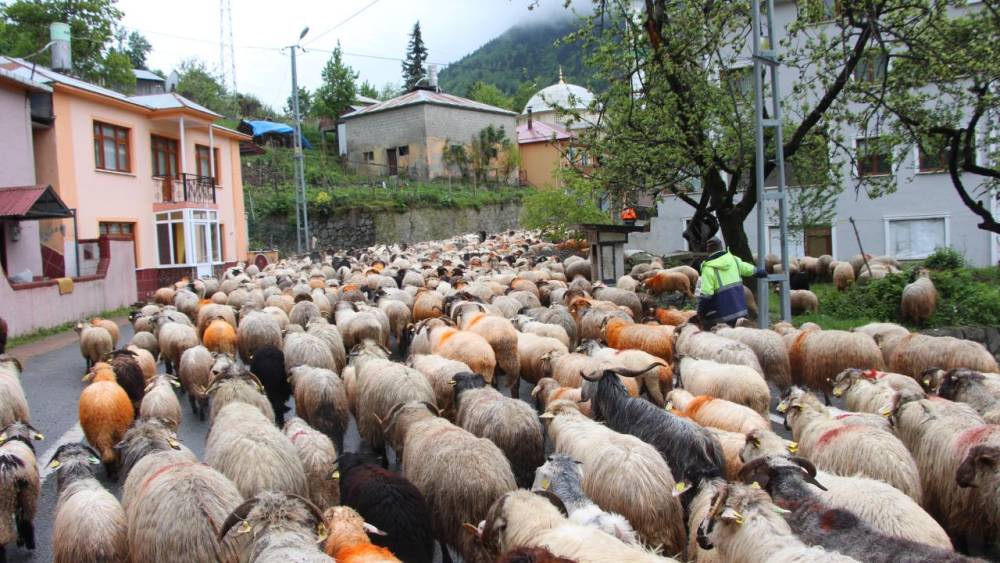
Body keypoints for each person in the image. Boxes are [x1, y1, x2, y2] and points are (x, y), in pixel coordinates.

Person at [696, 238, 766, 327]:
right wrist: (761, 272)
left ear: (708, 250)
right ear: (722, 247)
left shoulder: (708, 268)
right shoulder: (733, 260)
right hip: (741, 311)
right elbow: (749, 269)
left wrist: (700, 313)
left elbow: (706, 295)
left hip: (720, 317)